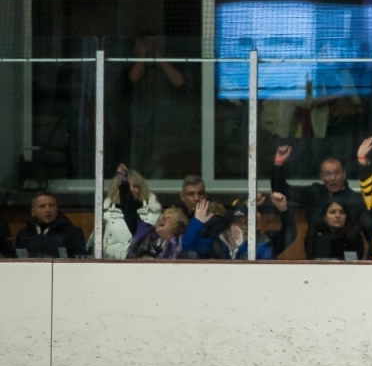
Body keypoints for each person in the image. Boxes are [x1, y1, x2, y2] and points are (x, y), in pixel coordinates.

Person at [271, 144, 369, 257]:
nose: (333, 178)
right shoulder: (314, 193)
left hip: (347, 262)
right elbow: (282, 190)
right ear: (321, 176)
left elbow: (369, 234)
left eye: (337, 173)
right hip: (315, 258)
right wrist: (278, 163)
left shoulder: (355, 200)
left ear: (344, 174)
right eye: (328, 174)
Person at [128, 34, 187, 178]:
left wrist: (158, 57)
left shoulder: (164, 65)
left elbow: (179, 81)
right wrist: (143, 55)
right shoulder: (130, 65)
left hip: (163, 119)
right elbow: (133, 77)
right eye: (143, 42)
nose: (148, 46)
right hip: (139, 120)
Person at [182, 194, 296, 261]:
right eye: (242, 219)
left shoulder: (266, 240)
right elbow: (188, 245)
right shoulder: (218, 244)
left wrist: (283, 210)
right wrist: (197, 222)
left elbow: (290, 233)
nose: (246, 223)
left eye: (254, 215)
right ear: (231, 223)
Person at [95, 164, 162, 259]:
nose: (131, 189)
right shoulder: (106, 215)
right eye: (128, 186)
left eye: (135, 186)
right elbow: (98, 248)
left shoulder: (154, 215)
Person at [15, 193, 86, 258]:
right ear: (33, 212)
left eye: (51, 206)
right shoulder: (24, 235)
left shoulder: (73, 233)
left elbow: (79, 263)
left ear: (57, 209)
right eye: (42, 206)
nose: (48, 210)